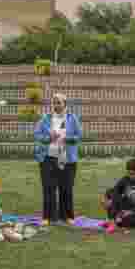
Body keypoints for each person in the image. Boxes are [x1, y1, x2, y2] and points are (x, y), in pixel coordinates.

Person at [34, 93, 83, 225]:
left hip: (67, 159)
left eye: (59, 102)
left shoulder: (72, 118)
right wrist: (49, 138)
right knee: (48, 187)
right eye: (54, 102)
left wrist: (66, 139)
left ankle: (67, 216)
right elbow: (37, 135)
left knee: (66, 187)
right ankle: (47, 217)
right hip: (48, 158)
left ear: (65, 104)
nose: (56, 105)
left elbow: (79, 136)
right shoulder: (45, 118)